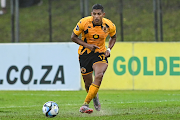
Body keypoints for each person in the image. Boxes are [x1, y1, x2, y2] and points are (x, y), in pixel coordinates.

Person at [71, 4, 116, 114]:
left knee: (99, 75)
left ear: (103, 15)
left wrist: (109, 49)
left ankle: (85, 105)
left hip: (100, 54)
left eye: (99, 14)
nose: (96, 16)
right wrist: (87, 46)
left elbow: (113, 37)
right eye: (94, 14)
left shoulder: (109, 25)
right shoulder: (83, 22)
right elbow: (73, 37)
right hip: (85, 54)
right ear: (91, 14)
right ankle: (95, 97)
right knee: (88, 84)